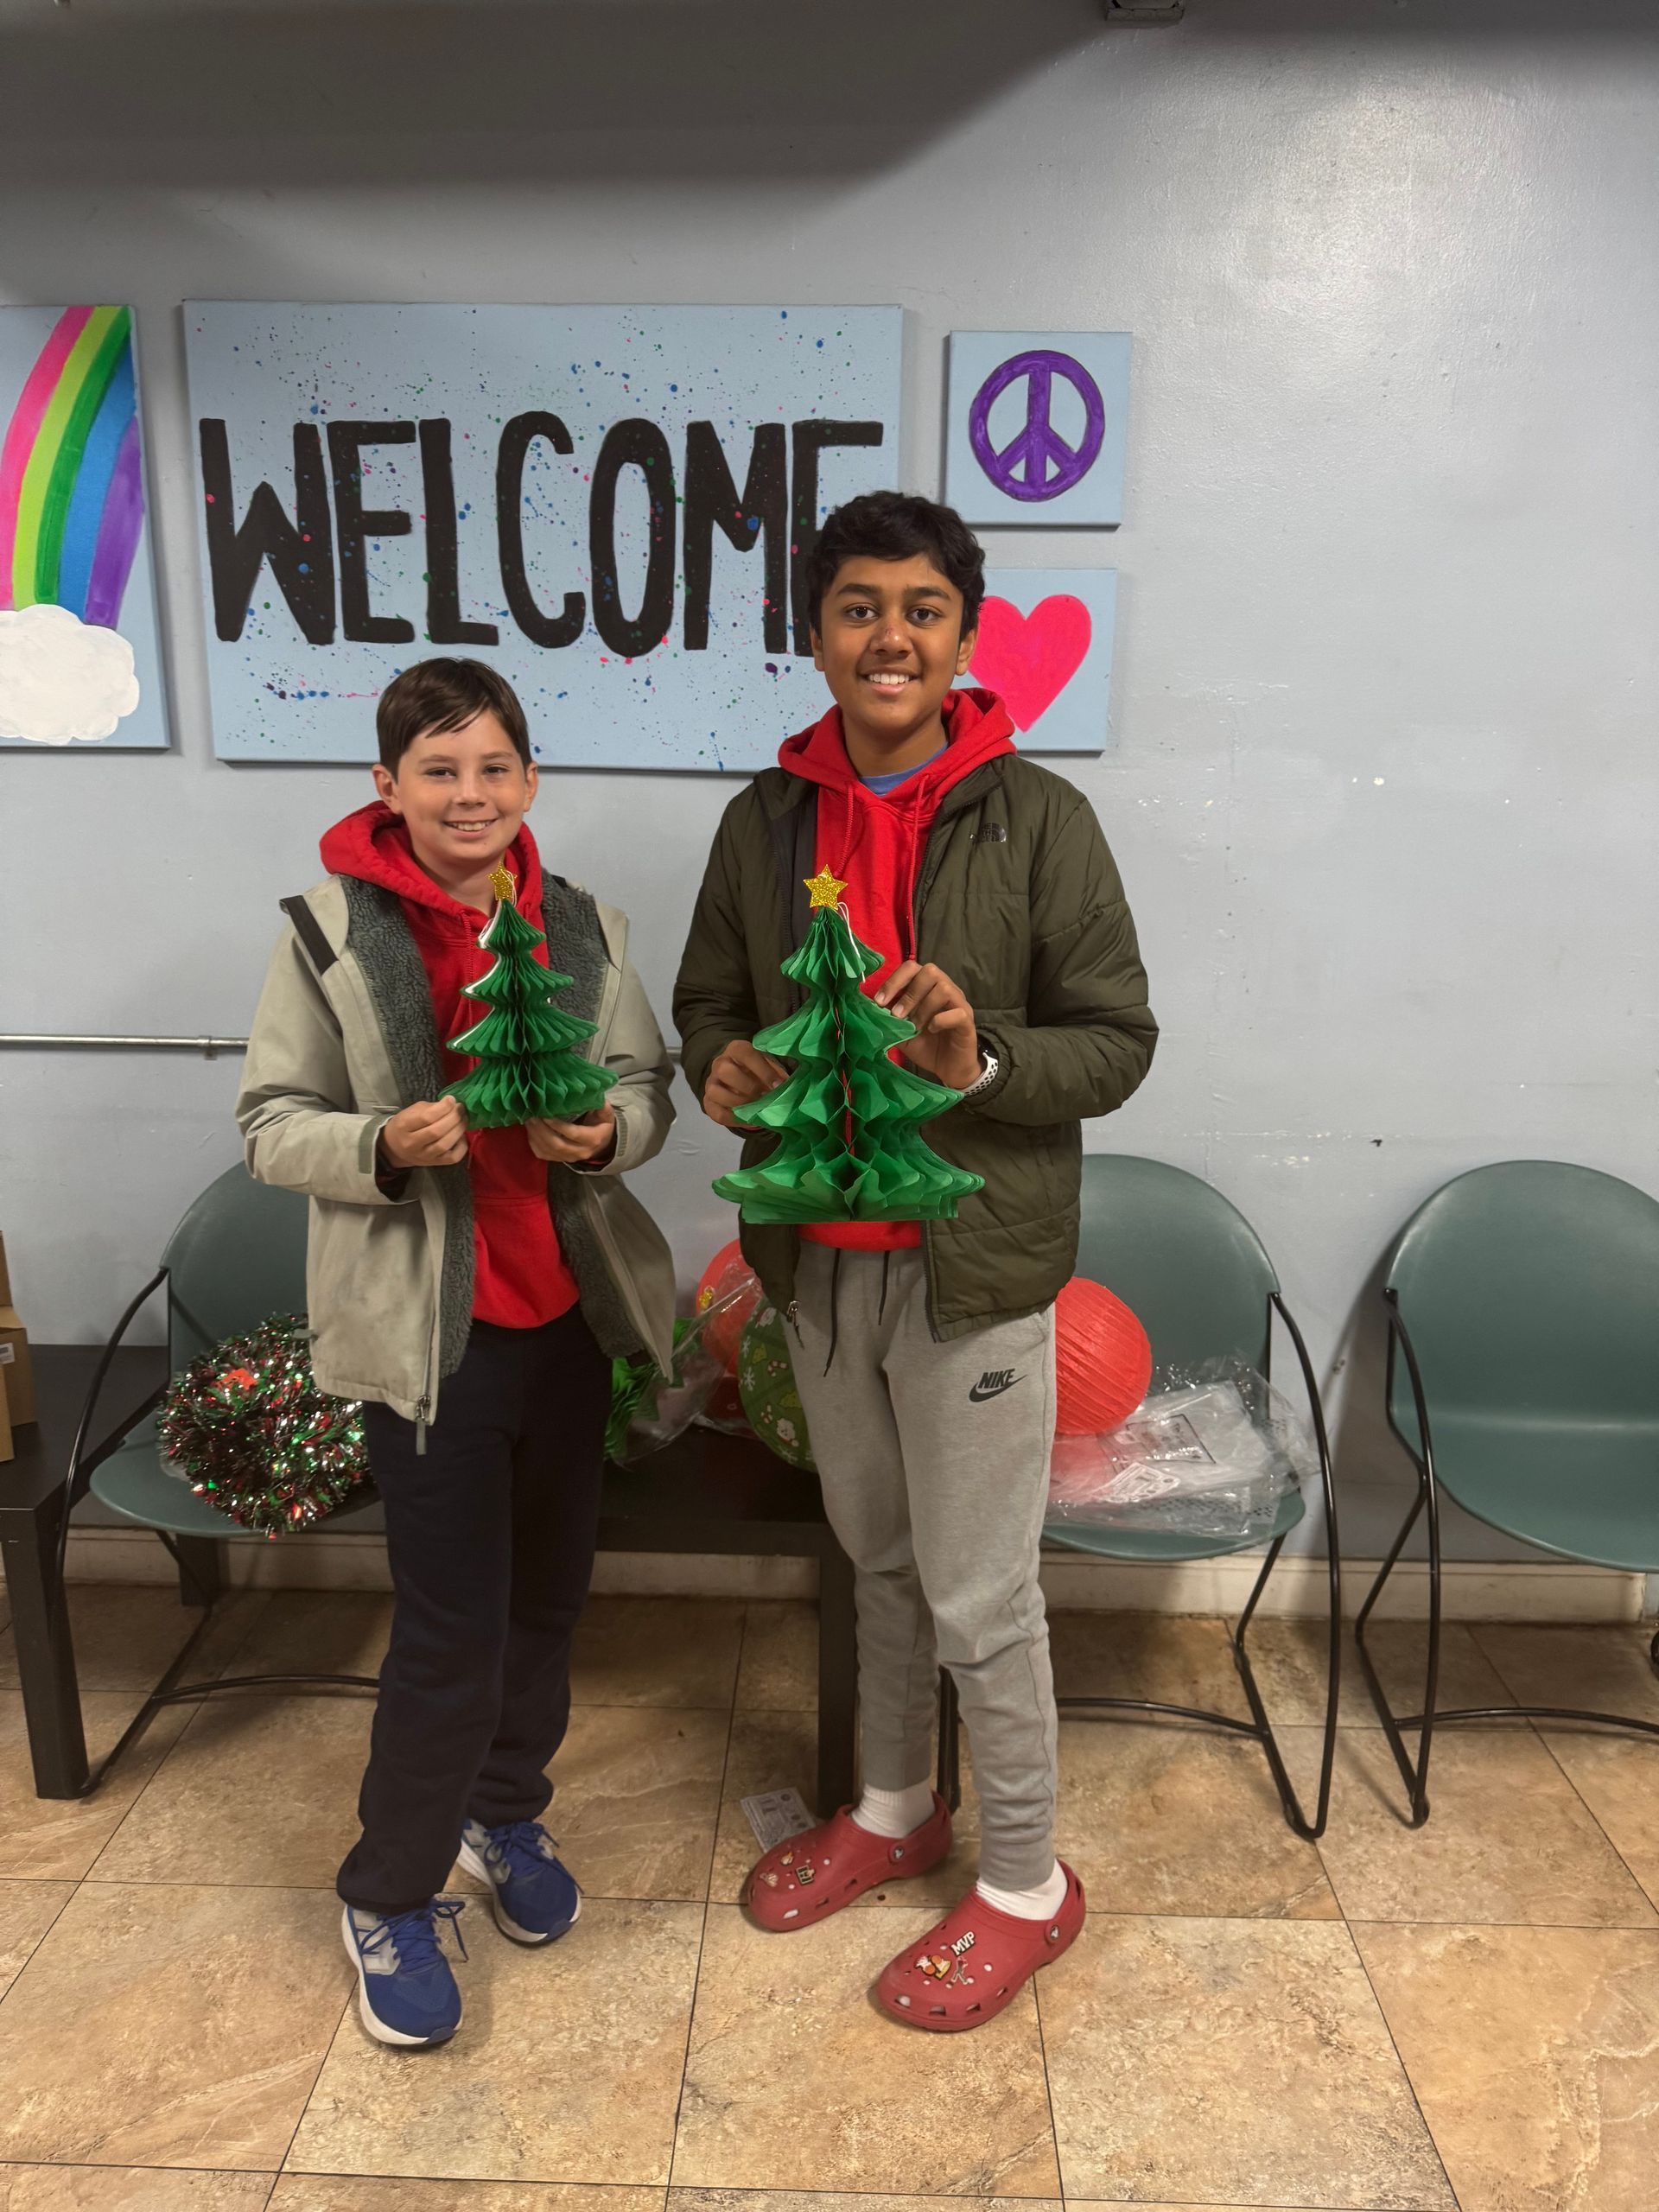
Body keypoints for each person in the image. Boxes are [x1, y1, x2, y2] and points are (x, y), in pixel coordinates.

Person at [674, 491, 1156, 2031]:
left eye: (923, 607)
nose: (891, 633)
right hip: (818, 1265)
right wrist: (720, 1069)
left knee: (978, 1593)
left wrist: (979, 1054)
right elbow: (705, 1006)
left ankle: (1025, 1883)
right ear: (813, 633)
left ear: (962, 634)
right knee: (877, 1566)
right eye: (859, 605)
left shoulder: (1042, 820)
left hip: (972, 1268)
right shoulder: (762, 823)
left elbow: (1119, 1043)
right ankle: (893, 1811)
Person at [238, 658, 676, 2049]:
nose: (469, 794)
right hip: (430, 1344)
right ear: (388, 788)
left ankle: (503, 1815)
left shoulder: (588, 931)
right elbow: (268, 1121)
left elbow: (645, 1087)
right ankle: (388, 1887)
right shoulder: (327, 934)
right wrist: (377, 1143)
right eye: (439, 771)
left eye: (493, 768)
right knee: (450, 1627)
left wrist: (606, 1135)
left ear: (530, 780)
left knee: (546, 1605)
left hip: (569, 1326)